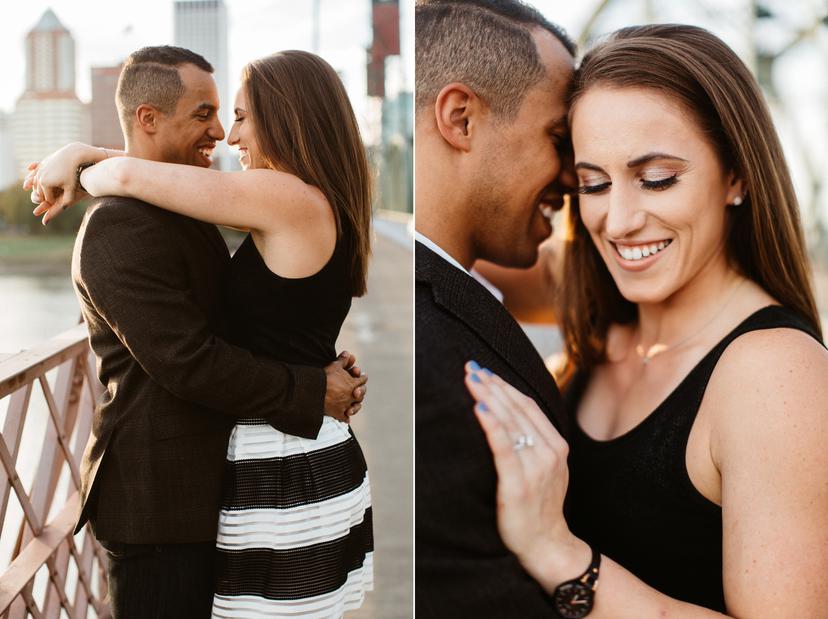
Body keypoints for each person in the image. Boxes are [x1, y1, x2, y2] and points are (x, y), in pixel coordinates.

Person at [464, 24, 828, 618]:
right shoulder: (597, 297)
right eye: (593, 183)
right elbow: (456, 241)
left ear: (735, 175)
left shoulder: (776, 373)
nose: (618, 221)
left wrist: (559, 556)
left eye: (657, 178)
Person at [28, 47, 373, 618]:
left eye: (238, 115)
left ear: (284, 117)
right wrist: (315, 384)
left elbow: (137, 170)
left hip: (279, 465)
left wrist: (75, 158)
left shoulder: (281, 197)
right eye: (211, 114)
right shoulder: (136, 223)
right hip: (217, 482)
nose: (226, 133)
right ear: (148, 116)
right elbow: (190, 354)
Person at [414, 1, 581, 615]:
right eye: (559, 140)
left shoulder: (439, 297)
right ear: (461, 118)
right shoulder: (427, 358)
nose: (574, 176)